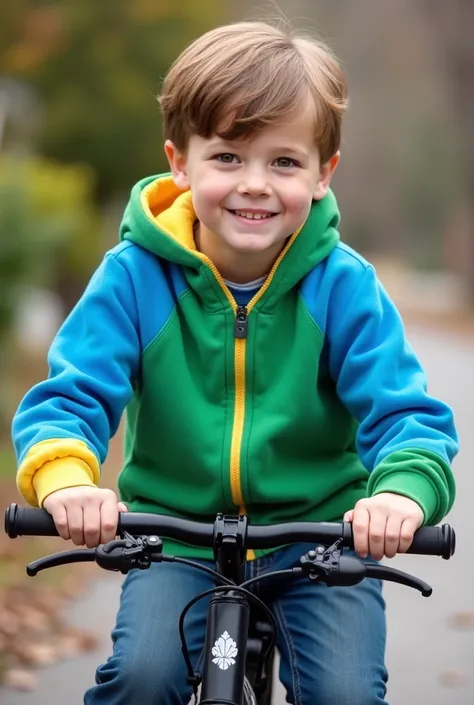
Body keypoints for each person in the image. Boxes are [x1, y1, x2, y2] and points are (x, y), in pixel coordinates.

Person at [11, 19, 458, 705]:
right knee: (140, 678)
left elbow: (407, 416)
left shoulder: (344, 285)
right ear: (180, 162)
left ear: (321, 174)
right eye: (227, 157)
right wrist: (68, 479)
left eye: (283, 162)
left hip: (322, 541)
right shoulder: (133, 277)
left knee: (345, 693)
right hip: (173, 539)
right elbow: (70, 397)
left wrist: (399, 495)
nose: (255, 184)